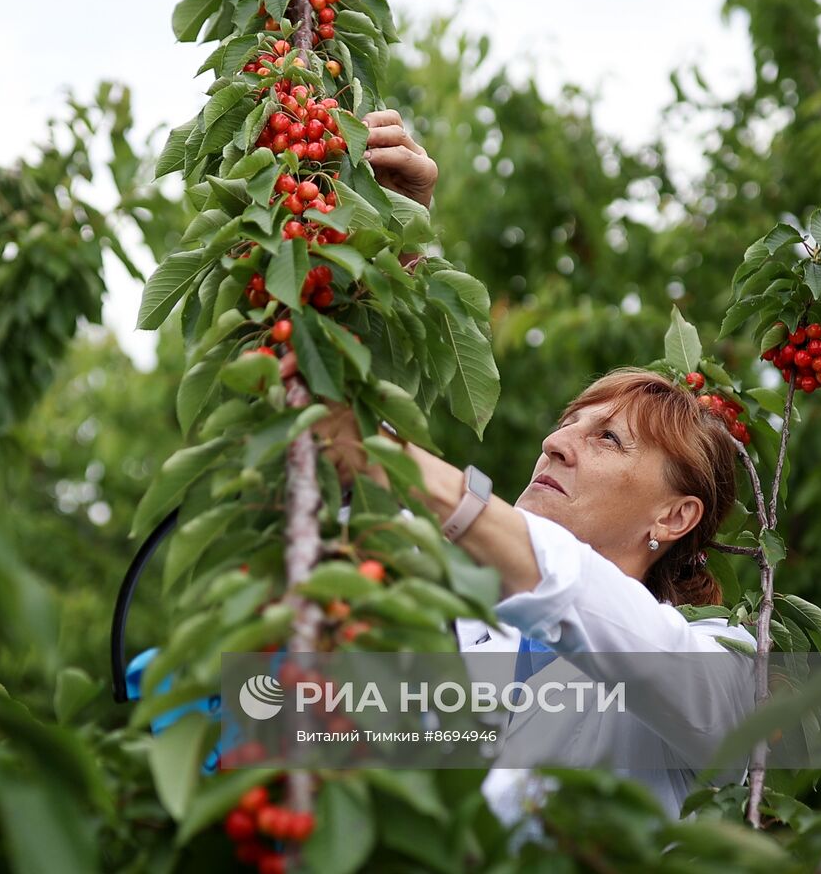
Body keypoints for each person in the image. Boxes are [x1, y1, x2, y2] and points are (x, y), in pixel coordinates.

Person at [292, 111, 757, 821]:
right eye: (566, 423)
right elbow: (326, 469)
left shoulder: (716, 660)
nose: (555, 442)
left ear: (675, 514)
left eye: (607, 440)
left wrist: (416, 473)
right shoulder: (448, 625)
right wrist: (385, 241)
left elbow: (588, 604)